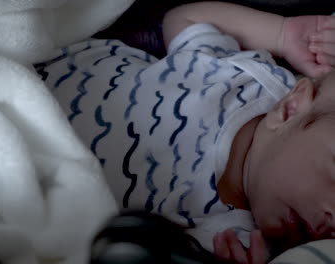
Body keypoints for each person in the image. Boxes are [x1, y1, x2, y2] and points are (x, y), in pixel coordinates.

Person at [34, 2, 335, 263]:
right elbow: (186, 20)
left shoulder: (237, 241)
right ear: (291, 108)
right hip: (43, 72)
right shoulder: (248, 80)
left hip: (34, 177)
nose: (332, 218)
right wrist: (283, 34)